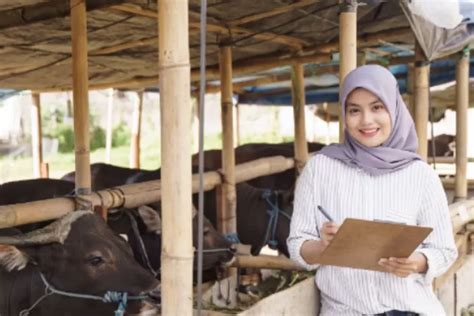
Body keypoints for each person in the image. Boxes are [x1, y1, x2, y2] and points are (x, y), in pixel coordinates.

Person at [287, 65, 457, 316]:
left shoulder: (421, 176)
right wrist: (323, 248)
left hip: (412, 310)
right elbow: (296, 243)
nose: (366, 120)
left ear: (394, 108)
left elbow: (444, 250)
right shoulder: (319, 169)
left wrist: (415, 262)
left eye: (377, 107)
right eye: (354, 110)